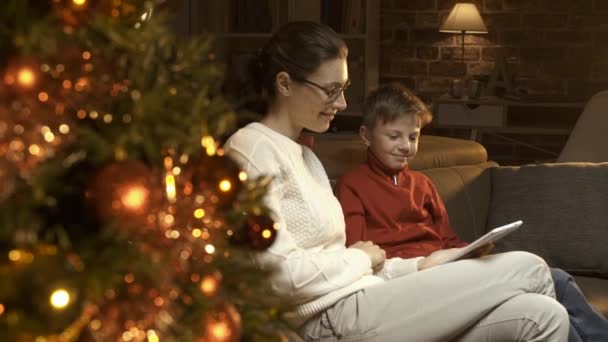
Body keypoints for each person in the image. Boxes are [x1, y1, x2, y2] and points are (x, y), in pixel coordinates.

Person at [223, 21, 569, 341]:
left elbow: (351, 263)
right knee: (530, 268)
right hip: (328, 321)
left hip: (366, 298)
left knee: (542, 315)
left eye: (343, 89)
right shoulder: (251, 150)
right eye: (330, 91)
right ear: (284, 84)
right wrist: (359, 259)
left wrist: (419, 265)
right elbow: (278, 277)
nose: (341, 103)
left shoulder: (306, 156)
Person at [335, 83, 608, 342]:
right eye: (394, 136)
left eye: (413, 136)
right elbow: (360, 254)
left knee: (555, 281)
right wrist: (425, 261)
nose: (406, 146)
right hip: (410, 282)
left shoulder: (422, 184)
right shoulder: (353, 184)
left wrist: (471, 249)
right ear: (365, 136)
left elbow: (448, 239)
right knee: (544, 279)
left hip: (449, 269)